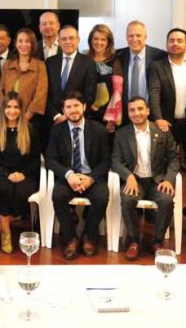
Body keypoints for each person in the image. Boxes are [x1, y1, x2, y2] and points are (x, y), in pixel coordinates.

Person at [148, 28, 186, 230]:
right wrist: (158, 118)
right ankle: (161, 208)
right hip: (167, 124)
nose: (175, 43)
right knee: (162, 166)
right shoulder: (158, 65)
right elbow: (154, 92)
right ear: (166, 43)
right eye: (171, 40)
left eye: (179, 40)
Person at [112, 97, 178, 260]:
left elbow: (174, 158)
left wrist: (169, 179)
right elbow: (115, 161)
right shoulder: (122, 134)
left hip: (157, 180)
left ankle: (157, 241)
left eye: (140, 109)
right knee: (127, 199)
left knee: (166, 200)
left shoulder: (162, 131)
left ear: (148, 111)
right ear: (128, 113)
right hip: (135, 180)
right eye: (132, 110)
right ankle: (134, 241)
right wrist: (128, 176)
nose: (137, 113)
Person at [46, 91, 110, 260]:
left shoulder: (98, 129)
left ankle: (88, 236)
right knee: (58, 195)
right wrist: (68, 174)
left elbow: (106, 161)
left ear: (84, 106)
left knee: (102, 197)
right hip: (68, 177)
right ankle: (71, 238)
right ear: (63, 110)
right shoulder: (57, 131)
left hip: (91, 176)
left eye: (76, 105)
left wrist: (90, 178)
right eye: (68, 107)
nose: (73, 110)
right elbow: (50, 160)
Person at [0, 92, 41, 254]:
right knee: (5, 189)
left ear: (21, 110)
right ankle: (6, 234)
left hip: (25, 174)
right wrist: (6, 174)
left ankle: (2, 226)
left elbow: (35, 159)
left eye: (16, 107)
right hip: (1, 174)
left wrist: (23, 174)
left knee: (22, 192)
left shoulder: (30, 130)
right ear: (3, 109)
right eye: (8, 107)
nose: (12, 111)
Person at [106, 20, 166, 130]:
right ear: (126, 38)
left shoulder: (159, 56)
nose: (134, 39)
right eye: (131, 36)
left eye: (138, 35)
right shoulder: (118, 56)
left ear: (145, 37)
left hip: (151, 116)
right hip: (124, 117)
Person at [46, 25, 98, 126]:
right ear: (59, 41)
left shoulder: (88, 63)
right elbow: (44, 93)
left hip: (77, 120)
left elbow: (89, 95)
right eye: (64, 39)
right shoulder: (50, 62)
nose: (68, 42)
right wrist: (56, 115)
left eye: (71, 38)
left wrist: (68, 114)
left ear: (78, 40)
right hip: (53, 121)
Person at [0, 28, 48, 128]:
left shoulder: (40, 65)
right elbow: (1, 91)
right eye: (20, 41)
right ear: (16, 43)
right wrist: (8, 114)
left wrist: (24, 118)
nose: (23, 44)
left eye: (27, 41)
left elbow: (41, 95)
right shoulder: (7, 64)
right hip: (8, 117)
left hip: (31, 120)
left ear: (32, 44)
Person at [85, 24, 116, 130]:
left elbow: (118, 91)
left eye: (103, 39)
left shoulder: (115, 61)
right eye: (96, 39)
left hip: (107, 116)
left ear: (109, 42)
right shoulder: (83, 60)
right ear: (90, 40)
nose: (99, 42)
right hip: (85, 114)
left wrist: (112, 117)